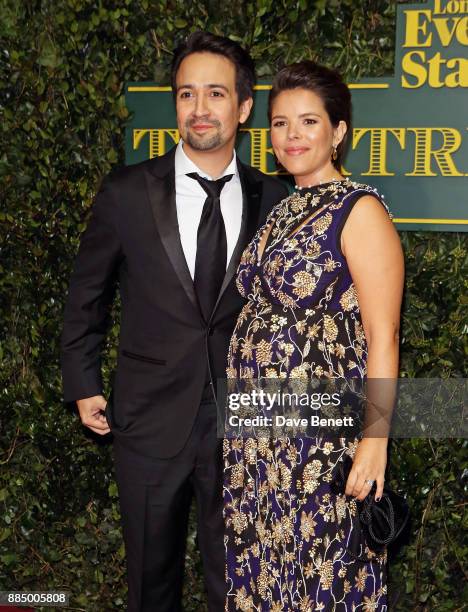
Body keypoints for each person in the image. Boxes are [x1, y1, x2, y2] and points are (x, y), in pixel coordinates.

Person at [60, 31, 288, 612]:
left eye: (215, 94)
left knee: (236, 581)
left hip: (245, 421)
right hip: (147, 416)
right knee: (150, 580)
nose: (200, 108)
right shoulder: (127, 192)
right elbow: (86, 294)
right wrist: (83, 384)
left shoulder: (276, 198)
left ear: (242, 107)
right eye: (187, 94)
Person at [223, 61, 404, 610]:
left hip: (320, 440)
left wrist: (374, 442)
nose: (292, 137)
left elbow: (384, 334)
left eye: (308, 122)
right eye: (280, 124)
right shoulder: (284, 208)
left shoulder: (361, 211)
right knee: (264, 567)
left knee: (322, 569)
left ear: (339, 131)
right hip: (258, 435)